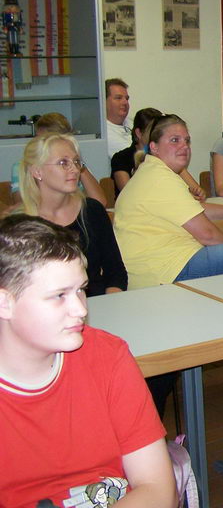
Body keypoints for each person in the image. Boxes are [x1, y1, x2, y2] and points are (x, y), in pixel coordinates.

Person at [0, 215, 176, 508]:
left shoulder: (107, 355)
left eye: (81, 289)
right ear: (4, 302)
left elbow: (157, 489)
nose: (81, 308)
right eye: (59, 296)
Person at [114, 114, 223, 289]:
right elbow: (207, 234)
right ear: (154, 147)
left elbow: (194, 208)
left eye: (186, 141)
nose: (184, 146)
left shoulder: (152, 171)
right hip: (166, 272)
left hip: (164, 266)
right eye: (175, 140)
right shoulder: (161, 179)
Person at [19, 133, 127, 296]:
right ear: (37, 171)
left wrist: (110, 303)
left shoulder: (92, 211)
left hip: (96, 304)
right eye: (63, 163)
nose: (75, 169)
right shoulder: (22, 225)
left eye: (76, 162)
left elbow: (116, 273)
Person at [9, 112, 107, 209]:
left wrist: (78, 164)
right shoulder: (22, 166)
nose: (39, 144)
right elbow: (23, 206)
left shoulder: (77, 166)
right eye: (38, 138)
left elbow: (100, 203)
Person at [111, 107, 163, 196]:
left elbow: (193, 187)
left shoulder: (165, 155)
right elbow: (129, 194)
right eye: (153, 131)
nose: (158, 136)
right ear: (139, 133)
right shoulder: (121, 158)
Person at [105, 78, 133, 158]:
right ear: (104, 101)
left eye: (126, 98)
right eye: (118, 98)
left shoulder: (130, 122)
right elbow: (137, 155)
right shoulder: (105, 133)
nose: (125, 102)